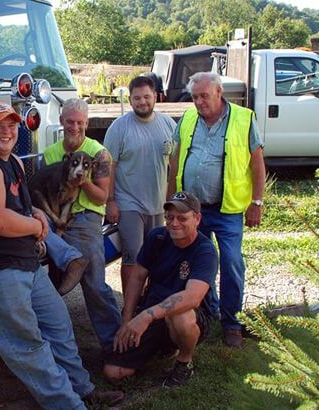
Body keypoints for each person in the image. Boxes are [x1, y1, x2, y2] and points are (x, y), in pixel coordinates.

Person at [0, 101, 124, 409]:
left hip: (25, 264)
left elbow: (19, 205)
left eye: (11, 125)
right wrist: (36, 223)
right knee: (29, 345)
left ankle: (84, 391)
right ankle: (69, 405)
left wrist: (35, 212)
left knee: (60, 326)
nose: (7, 132)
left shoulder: (14, 163)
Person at [167, 71, 266, 348]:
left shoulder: (243, 119)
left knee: (232, 262)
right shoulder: (187, 119)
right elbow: (175, 159)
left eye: (204, 96)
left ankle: (232, 322)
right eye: (195, 97)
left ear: (219, 93)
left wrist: (256, 203)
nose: (199, 102)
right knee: (197, 263)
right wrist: (172, 201)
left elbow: (257, 163)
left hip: (227, 210)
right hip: (192, 210)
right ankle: (210, 311)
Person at [103, 191, 218, 387]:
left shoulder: (205, 250)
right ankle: (164, 347)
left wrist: (146, 316)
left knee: (179, 316)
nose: (174, 223)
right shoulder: (156, 237)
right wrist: (127, 319)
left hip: (189, 316)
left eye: (182, 218)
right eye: (170, 217)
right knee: (112, 372)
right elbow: (137, 277)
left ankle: (184, 361)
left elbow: (193, 297)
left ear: (197, 219)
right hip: (153, 313)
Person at [42, 98, 122, 351]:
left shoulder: (98, 153)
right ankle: (56, 346)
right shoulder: (50, 153)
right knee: (53, 285)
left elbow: (100, 196)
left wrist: (82, 180)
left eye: (79, 122)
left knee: (94, 284)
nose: (74, 127)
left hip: (86, 216)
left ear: (86, 122)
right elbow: (46, 190)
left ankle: (115, 347)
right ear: (61, 121)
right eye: (70, 121)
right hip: (55, 217)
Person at [104, 75, 177, 295]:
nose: (142, 102)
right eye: (137, 98)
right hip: (129, 204)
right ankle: (130, 308)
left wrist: (173, 200)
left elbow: (175, 163)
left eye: (147, 97)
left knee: (156, 257)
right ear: (130, 99)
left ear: (155, 96)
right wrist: (110, 201)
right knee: (133, 258)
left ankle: (150, 303)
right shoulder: (119, 128)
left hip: (158, 204)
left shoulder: (168, 124)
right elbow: (109, 166)